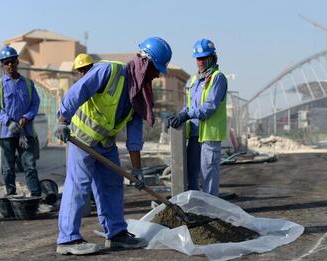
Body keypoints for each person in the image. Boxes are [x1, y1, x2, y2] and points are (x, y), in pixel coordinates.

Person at [54, 37, 172, 255]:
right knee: (79, 187)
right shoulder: (109, 71)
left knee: (112, 186)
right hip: (82, 140)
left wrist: (136, 170)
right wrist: (62, 120)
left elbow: (134, 137)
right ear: (145, 63)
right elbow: (78, 91)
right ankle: (68, 240)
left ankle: (116, 234)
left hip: (105, 145)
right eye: (156, 69)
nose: (157, 75)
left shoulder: (140, 94)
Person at [168, 39, 227, 196]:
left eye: (203, 58)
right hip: (194, 135)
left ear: (212, 58)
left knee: (208, 177)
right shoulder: (194, 80)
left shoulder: (217, 78)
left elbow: (209, 106)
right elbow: (190, 105)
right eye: (197, 58)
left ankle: (210, 211)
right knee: (191, 176)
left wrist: (186, 114)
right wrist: (180, 114)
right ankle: (194, 208)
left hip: (209, 138)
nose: (199, 62)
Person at [0, 46, 41, 197]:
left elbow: (35, 103)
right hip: (6, 133)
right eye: (6, 62)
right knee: (8, 168)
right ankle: (11, 195)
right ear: (2, 65)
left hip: (26, 132)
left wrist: (27, 117)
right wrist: (8, 122)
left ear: (17, 62)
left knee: (29, 165)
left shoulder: (28, 84)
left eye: (13, 61)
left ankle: (35, 195)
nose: (10, 65)